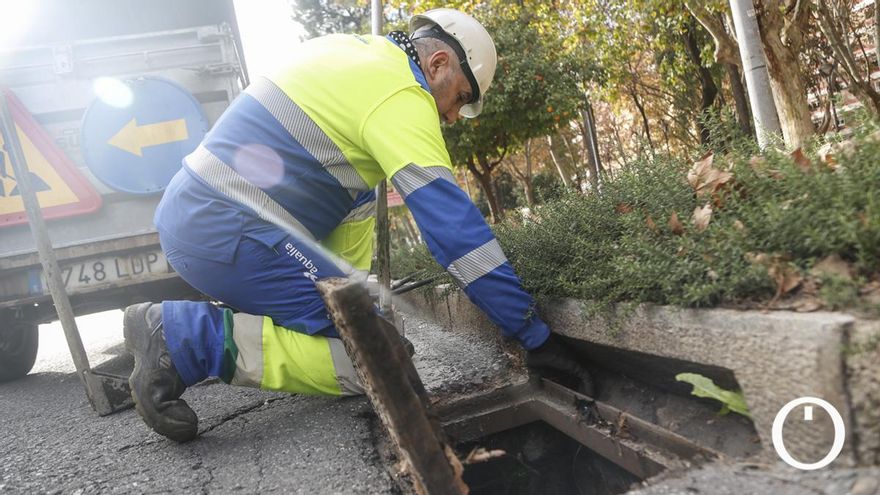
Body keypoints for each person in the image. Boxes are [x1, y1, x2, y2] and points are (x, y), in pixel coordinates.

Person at [124, 8, 593, 443]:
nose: (452, 117)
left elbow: (342, 244)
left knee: (377, 328)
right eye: (460, 99)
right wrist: (533, 335)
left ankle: (199, 334)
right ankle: (188, 339)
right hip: (227, 230)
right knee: (381, 363)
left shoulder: (353, 55)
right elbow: (456, 234)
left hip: (205, 218)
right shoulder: (401, 95)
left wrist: (364, 310)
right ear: (439, 64)